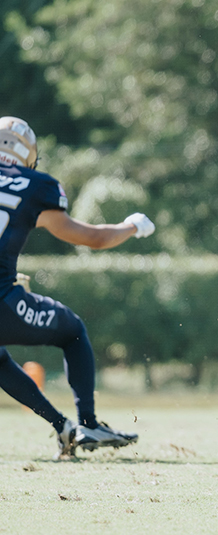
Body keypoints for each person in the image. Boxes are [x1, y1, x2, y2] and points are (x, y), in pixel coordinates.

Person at [0, 116, 156, 458]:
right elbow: (93, 238)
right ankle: (88, 424)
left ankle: (63, 427)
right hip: (2, 302)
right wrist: (131, 226)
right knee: (71, 330)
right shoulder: (35, 185)